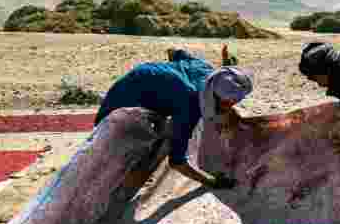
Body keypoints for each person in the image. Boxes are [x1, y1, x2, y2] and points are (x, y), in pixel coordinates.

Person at [95, 50, 252, 192]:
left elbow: (174, 52)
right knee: (130, 150)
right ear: (214, 96)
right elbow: (177, 162)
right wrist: (211, 181)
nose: (229, 108)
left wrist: (165, 82)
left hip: (139, 77)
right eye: (227, 104)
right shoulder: (191, 104)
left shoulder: (205, 68)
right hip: (121, 103)